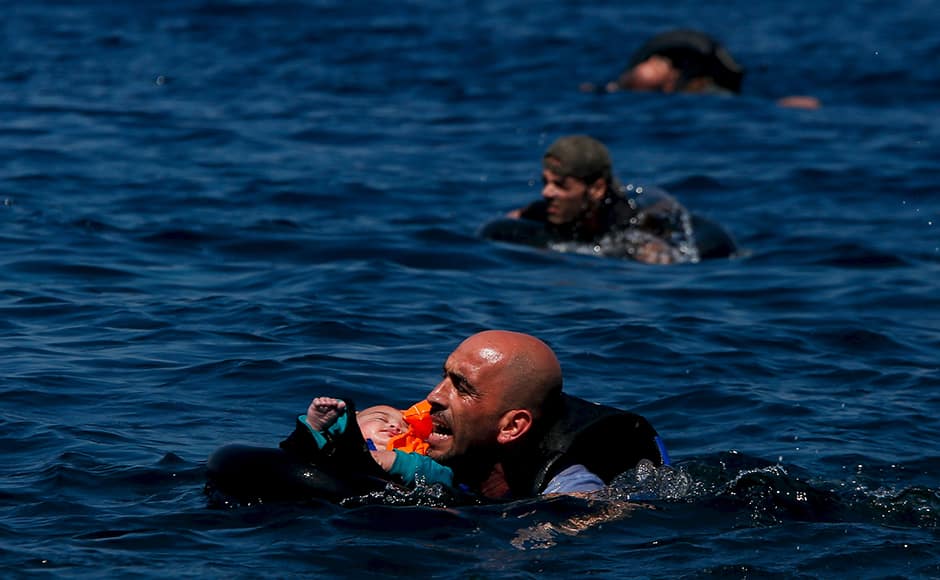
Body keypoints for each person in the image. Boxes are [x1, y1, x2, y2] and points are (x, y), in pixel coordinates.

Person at [420, 330, 669, 499]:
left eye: (462, 388)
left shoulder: (570, 490)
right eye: (445, 377)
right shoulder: (453, 443)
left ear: (512, 427)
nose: (434, 396)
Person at [480, 134, 737, 264]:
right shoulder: (543, 210)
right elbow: (505, 226)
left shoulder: (626, 222)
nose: (547, 193)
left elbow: (664, 260)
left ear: (595, 189)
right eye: (546, 183)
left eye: (560, 185)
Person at [580, 29, 820, 110]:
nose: (653, 62)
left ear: (671, 78)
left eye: (659, 62)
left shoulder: (699, 91)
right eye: (651, 61)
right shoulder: (619, 93)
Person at [280, 397, 453, 488]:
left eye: (405, 428)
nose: (394, 426)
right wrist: (316, 427)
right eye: (381, 418)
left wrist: (394, 460)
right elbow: (294, 452)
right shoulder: (335, 441)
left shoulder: (416, 458)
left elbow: (443, 477)